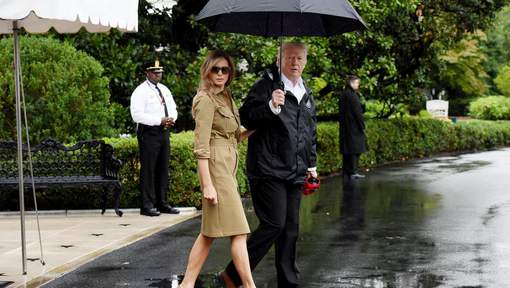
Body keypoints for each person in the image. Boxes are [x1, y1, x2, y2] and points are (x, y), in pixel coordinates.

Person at [220, 42, 318, 288]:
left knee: (290, 230)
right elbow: (246, 116)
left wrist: (312, 164)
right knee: (274, 224)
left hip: (295, 170)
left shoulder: (305, 91)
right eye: (290, 58)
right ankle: (232, 275)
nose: (295, 62)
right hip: (268, 169)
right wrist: (271, 105)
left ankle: (288, 283)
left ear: (305, 61)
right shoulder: (266, 86)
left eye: (299, 58)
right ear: (280, 60)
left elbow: (309, 131)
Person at [179, 50, 256, 288]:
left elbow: (236, 136)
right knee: (240, 232)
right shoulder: (205, 100)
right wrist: (207, 185)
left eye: (225, 70)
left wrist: (265, 119)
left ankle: (187, 284)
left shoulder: (226, 97)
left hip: (228, 166)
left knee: (209, 233)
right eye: (216, 69)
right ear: (207, 71)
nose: (221, 74)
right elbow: (201, 147)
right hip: (216, 168)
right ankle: (249, 286)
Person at [130, 60, 180, 217]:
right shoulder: (140, 91)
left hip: (164, 131)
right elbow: (137, 115)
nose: (158, 75)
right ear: (147, 73)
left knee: (163, 168)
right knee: (149, 169)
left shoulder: (164, 89)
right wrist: (159, 120)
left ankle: (162, 203)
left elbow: (173, 107)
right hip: (149, 132)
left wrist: (172, 118)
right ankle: (147, 205)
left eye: (160, 72)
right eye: (154, 72)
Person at [339, 75, 367, 180]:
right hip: (353, 128)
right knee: (354, 151)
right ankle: (353, 171)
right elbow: (357, 113)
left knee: (347, 151)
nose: (358, 85)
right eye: (356, 83)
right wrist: (362, 126)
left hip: (345, 127)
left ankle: (347, 171)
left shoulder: (344, 94)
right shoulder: (352, 96)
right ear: (351, 83)